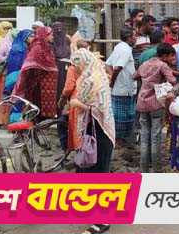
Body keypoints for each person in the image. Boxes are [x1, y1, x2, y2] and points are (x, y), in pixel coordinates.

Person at [69, 48, 115, 234]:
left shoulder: (91, 80)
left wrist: (76, 103)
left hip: (99, 133)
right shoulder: (98, 76)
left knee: (98, 175)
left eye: (76, 65)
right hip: (99, 132)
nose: (75, 69)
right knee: (94, 173)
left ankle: (102, 220)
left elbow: (98, 108)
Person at [135, 43, 177, 172]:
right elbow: (173, 81)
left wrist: (147, 81)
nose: (172, 58)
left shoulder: (145, 64)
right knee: (155, 137)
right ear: (164, 56)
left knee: (144, 136)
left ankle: (144, 168)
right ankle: (157, 168)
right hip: (156, 104)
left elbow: (134, 76)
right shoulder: (162, 65)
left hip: (142, 103)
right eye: (170, 56)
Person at [14, 26, 58, 119]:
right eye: (51, 35)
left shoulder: (47, 47)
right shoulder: (37, 48)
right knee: (37, 108)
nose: (53, 37)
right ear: (44, 35)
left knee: (45, 110)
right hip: (38, 85)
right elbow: (30, 64)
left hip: (48, 84)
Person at [106, 27, 138, 145]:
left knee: (122, 116)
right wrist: (112, 81)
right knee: (123, 117)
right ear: (129, 37)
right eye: (135, 36)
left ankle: (120, 141)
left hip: (121, 88)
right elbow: (117, 68)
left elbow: (108, 65)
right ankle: (120, 142)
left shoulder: (119, 47)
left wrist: (113, 81)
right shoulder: (125, 50)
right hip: (124, 89)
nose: (136, 38)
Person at [61, 39, 91, 151]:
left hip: (77, 100)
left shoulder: (73, 67)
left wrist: (62, 98)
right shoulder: (92, 64)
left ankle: (78, 151)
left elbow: (69, 87)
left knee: (77, 128)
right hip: (90, 98)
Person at [3, 29, 33, 95]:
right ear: (25, 37)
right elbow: (14, 65)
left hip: (24, 73)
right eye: (31, 36)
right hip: (16, 74)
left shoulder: (27, 46)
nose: (33, 38)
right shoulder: (17, 49)